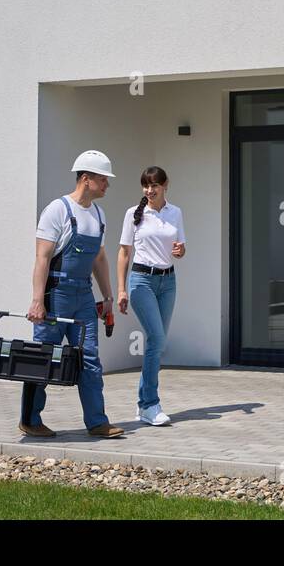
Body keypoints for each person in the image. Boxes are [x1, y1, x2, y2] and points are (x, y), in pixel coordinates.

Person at [19, 149, 124, 438]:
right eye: (103, 179)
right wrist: (37, 301)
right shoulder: (58, 210)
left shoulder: (99, 214)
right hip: (57, 295)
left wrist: (107, 298)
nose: (107, 185)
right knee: (44, 358)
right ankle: (30, 420)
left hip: (84, 297)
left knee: (90, 359)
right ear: (86, 178)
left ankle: (97, 421)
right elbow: (42, 257)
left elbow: (99, 259)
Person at [117, 166, 185, 426]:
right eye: (146, 185)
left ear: (165, 185)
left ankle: (143, 403)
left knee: (157, 343)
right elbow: (124, 253)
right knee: (156, 339)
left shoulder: (175, 213)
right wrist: (122, 289)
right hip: (141, 281)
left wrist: (180, 251)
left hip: (168, 281)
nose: (149, 190)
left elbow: (180, 247)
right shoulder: (133, 215)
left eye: (154, 185)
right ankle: (150, 404)